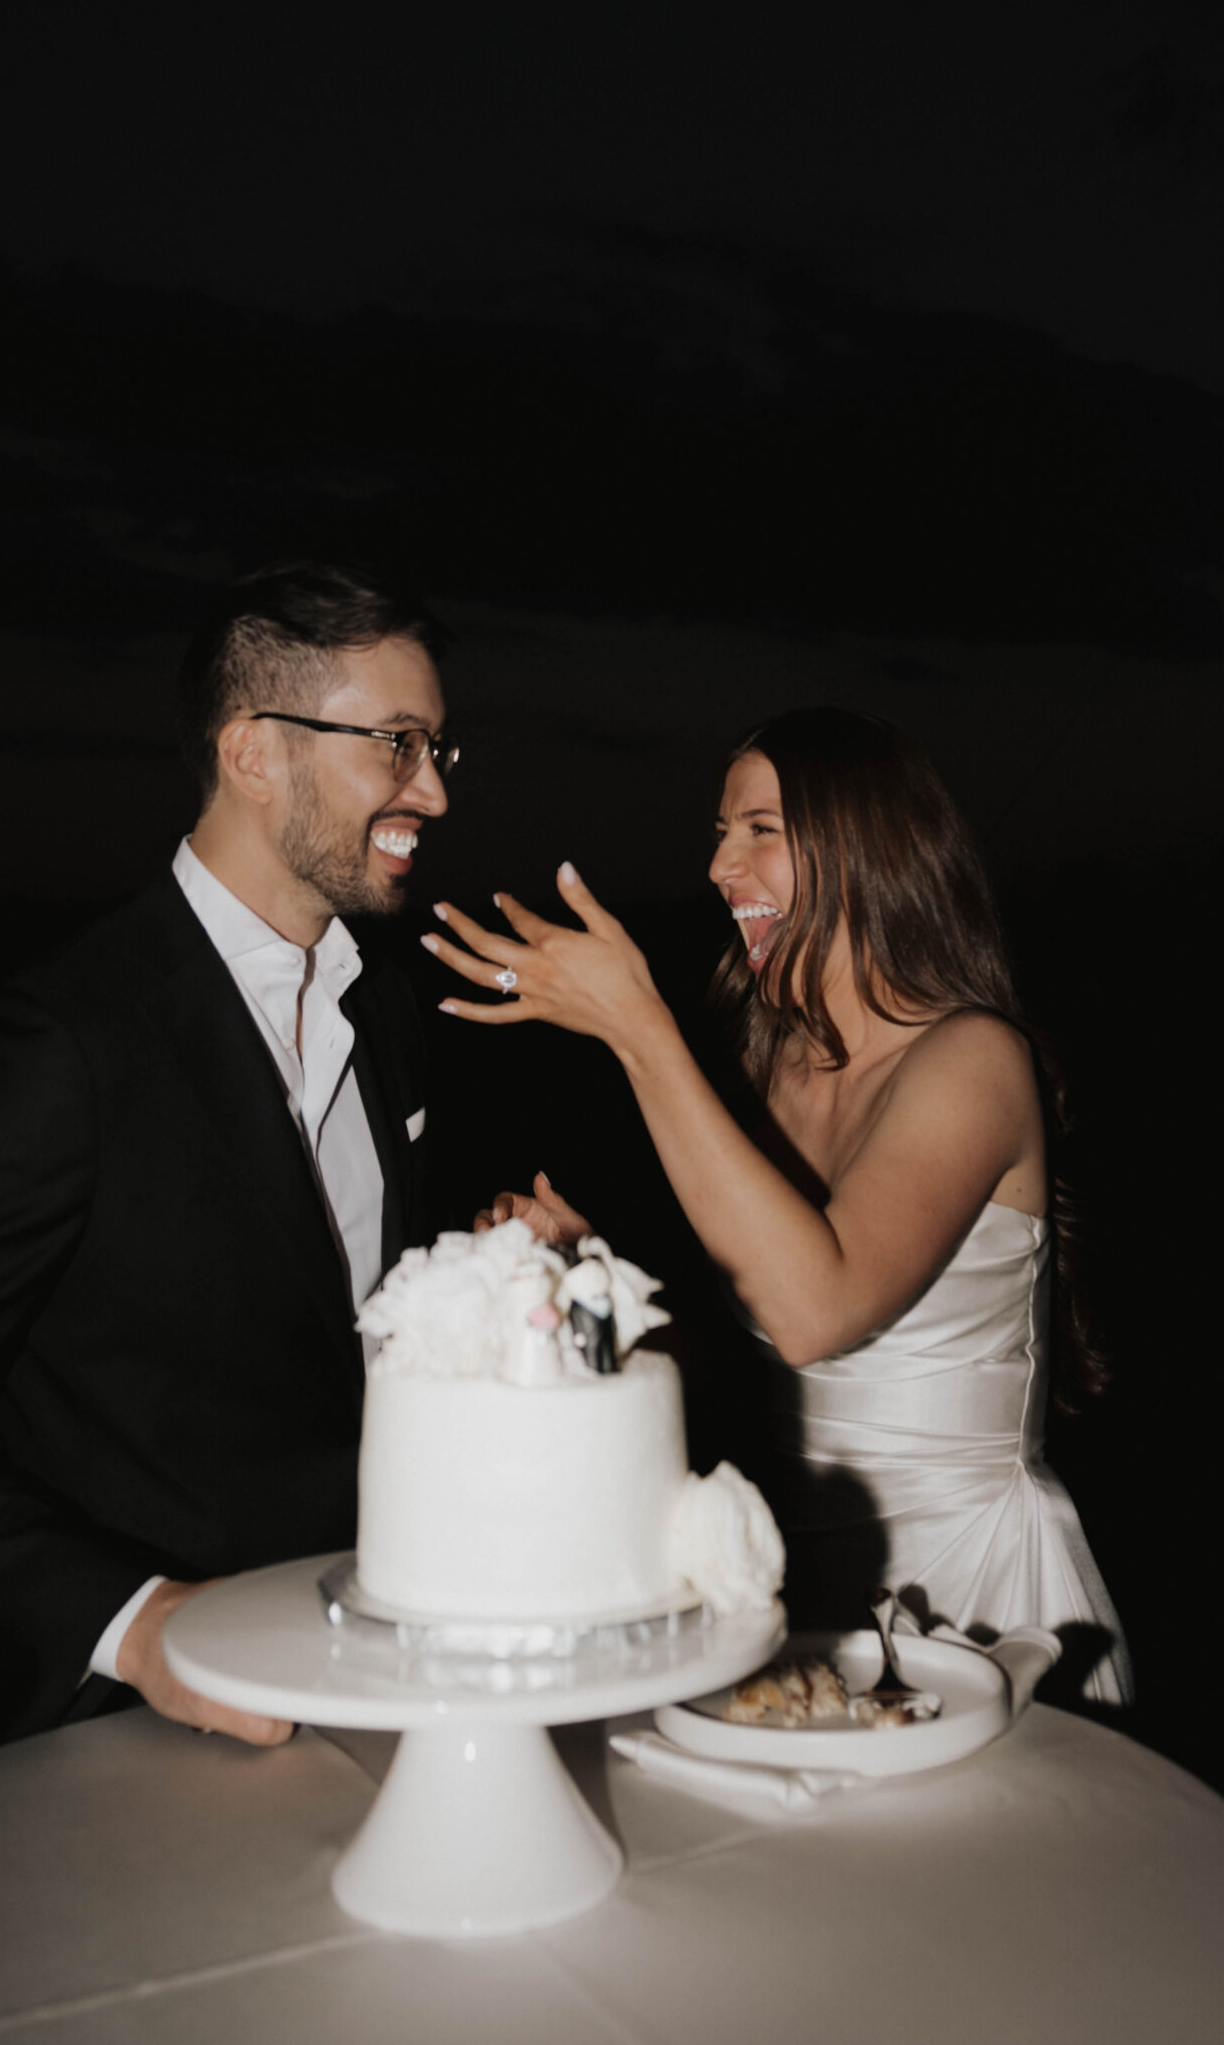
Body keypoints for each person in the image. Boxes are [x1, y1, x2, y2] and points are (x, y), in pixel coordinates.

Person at [0, 558, 456, 1750]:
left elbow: (325, 1326)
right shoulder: (64, 1042)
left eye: (438, 751)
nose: (434, 793)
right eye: (398, 746)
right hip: (134, 1733)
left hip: (378, 1680)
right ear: (254, 751)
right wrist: (140, 1629)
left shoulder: (388, 1014)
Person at [432, 707, 1130, 1704]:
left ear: (868, 846)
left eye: (761, 829)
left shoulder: (973, 1058)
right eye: (721, 834)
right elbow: (740, 1366)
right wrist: (589, 1268)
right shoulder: (774, 1071)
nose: (722, 867)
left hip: (976, 1593)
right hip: (799, 1589)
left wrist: (641, 1029)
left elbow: (814, 1311)